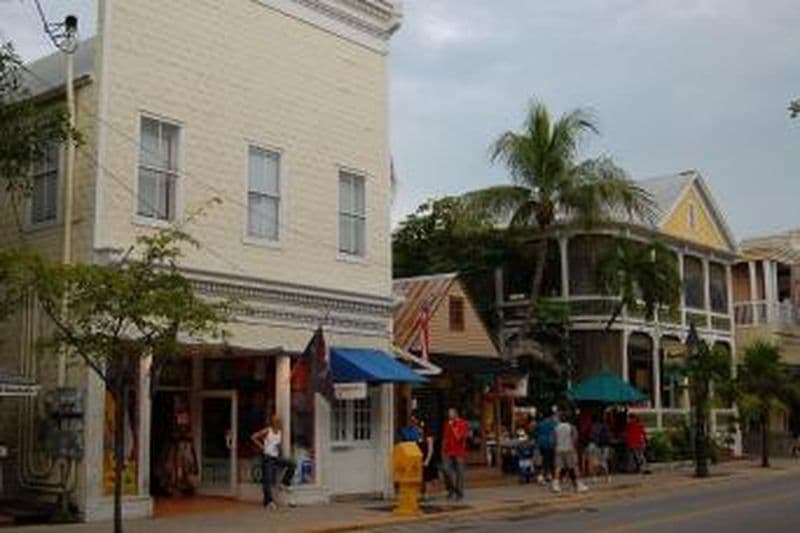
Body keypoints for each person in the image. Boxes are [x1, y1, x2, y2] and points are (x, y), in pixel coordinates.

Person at [251, 414, 296, 510]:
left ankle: (285, 483)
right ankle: (268, 502)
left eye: (278, 421)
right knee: (267, 480)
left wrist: (281, 453)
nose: (277, 422)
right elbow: (254, 437)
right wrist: (262, 447)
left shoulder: (279, 432)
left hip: (276, 458)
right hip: (267, 458)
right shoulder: (268, 430)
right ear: (273, 422)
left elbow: (278, 445)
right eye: (276, 421)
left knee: (292, 464)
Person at [552, 413, 588, 493]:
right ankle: (579, 485)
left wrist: (555, 447)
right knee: (574, 467)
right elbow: (575, 439)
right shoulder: (571, 427)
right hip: (569, 448)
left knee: (558, 467)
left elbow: (554, 439)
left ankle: (556, 485)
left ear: (560, 419)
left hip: (559, 449)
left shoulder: (556, 427)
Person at [442, 407, 469, 501]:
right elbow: (445, 437)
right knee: (446, 470)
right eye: (448, 413)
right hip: (448, 451)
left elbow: (459, 437)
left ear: (456, 414)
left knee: (459, 473)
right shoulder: (447, 424)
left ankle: (459, 493)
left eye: (451, 413)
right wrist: (443, 450)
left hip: (459, 451)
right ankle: (451, 489)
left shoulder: (463, 423)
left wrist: (453, 427)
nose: (449, 415)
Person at [535, 412, 557, 485]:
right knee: (549, 461)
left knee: (544, 460)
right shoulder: (551, 424)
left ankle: (546, 476)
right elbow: (554, 434)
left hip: (541, 444)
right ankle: (543, 477)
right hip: (549, 444)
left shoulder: (539, 424)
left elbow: (536, 433)